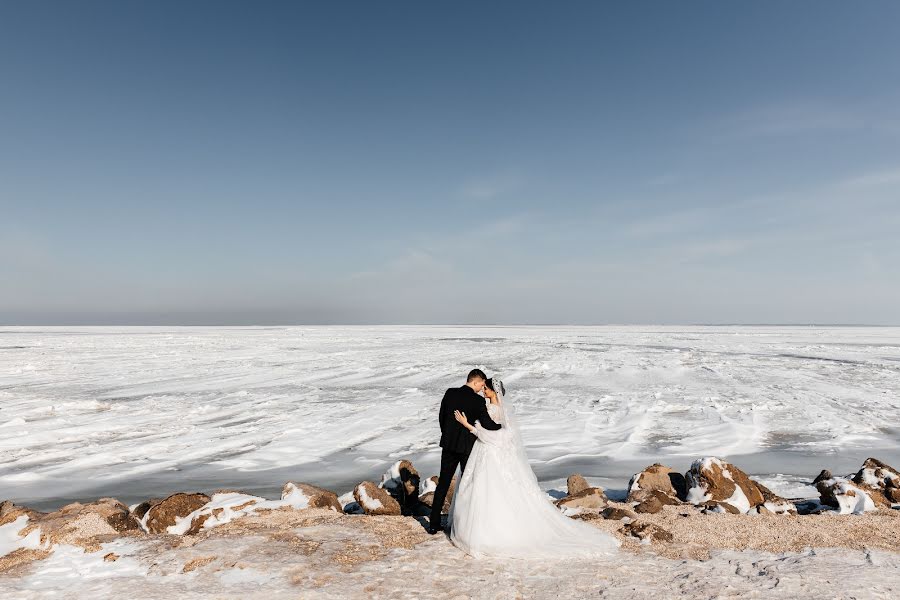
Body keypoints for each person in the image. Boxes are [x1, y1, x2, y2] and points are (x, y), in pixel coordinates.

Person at [449, 377, 619, 558]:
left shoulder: (495, 410)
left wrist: (470, 426)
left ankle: (486, 532)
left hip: (490, 454)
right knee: (486, 490)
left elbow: (499, 438)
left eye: (486, 388)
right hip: (488, 453)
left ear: (493, 390)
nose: (483, 391)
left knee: (489, 491)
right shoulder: (498, 409)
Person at [428, 368, 502, 534]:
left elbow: (442, 417)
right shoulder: (477, 401)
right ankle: (462, 525)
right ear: (475, 381)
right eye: (481, 384)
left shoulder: (450, 393)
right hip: (466, 448)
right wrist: (502, 427)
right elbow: (488, 424)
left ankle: (433, 524)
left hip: (448, 445)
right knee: (467, 484)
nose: (481, 388)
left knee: (443, 484)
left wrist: (447, 434)